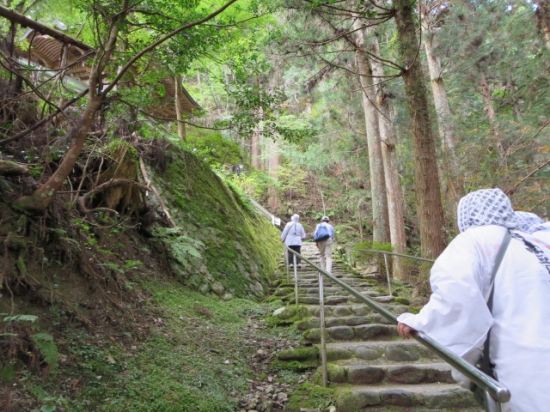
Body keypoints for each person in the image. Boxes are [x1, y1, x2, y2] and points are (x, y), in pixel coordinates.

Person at [396, 188, 550, 412]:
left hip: (524, 363)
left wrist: (420, 322)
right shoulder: (538, 242)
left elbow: (456, 294)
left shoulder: (477, 239)